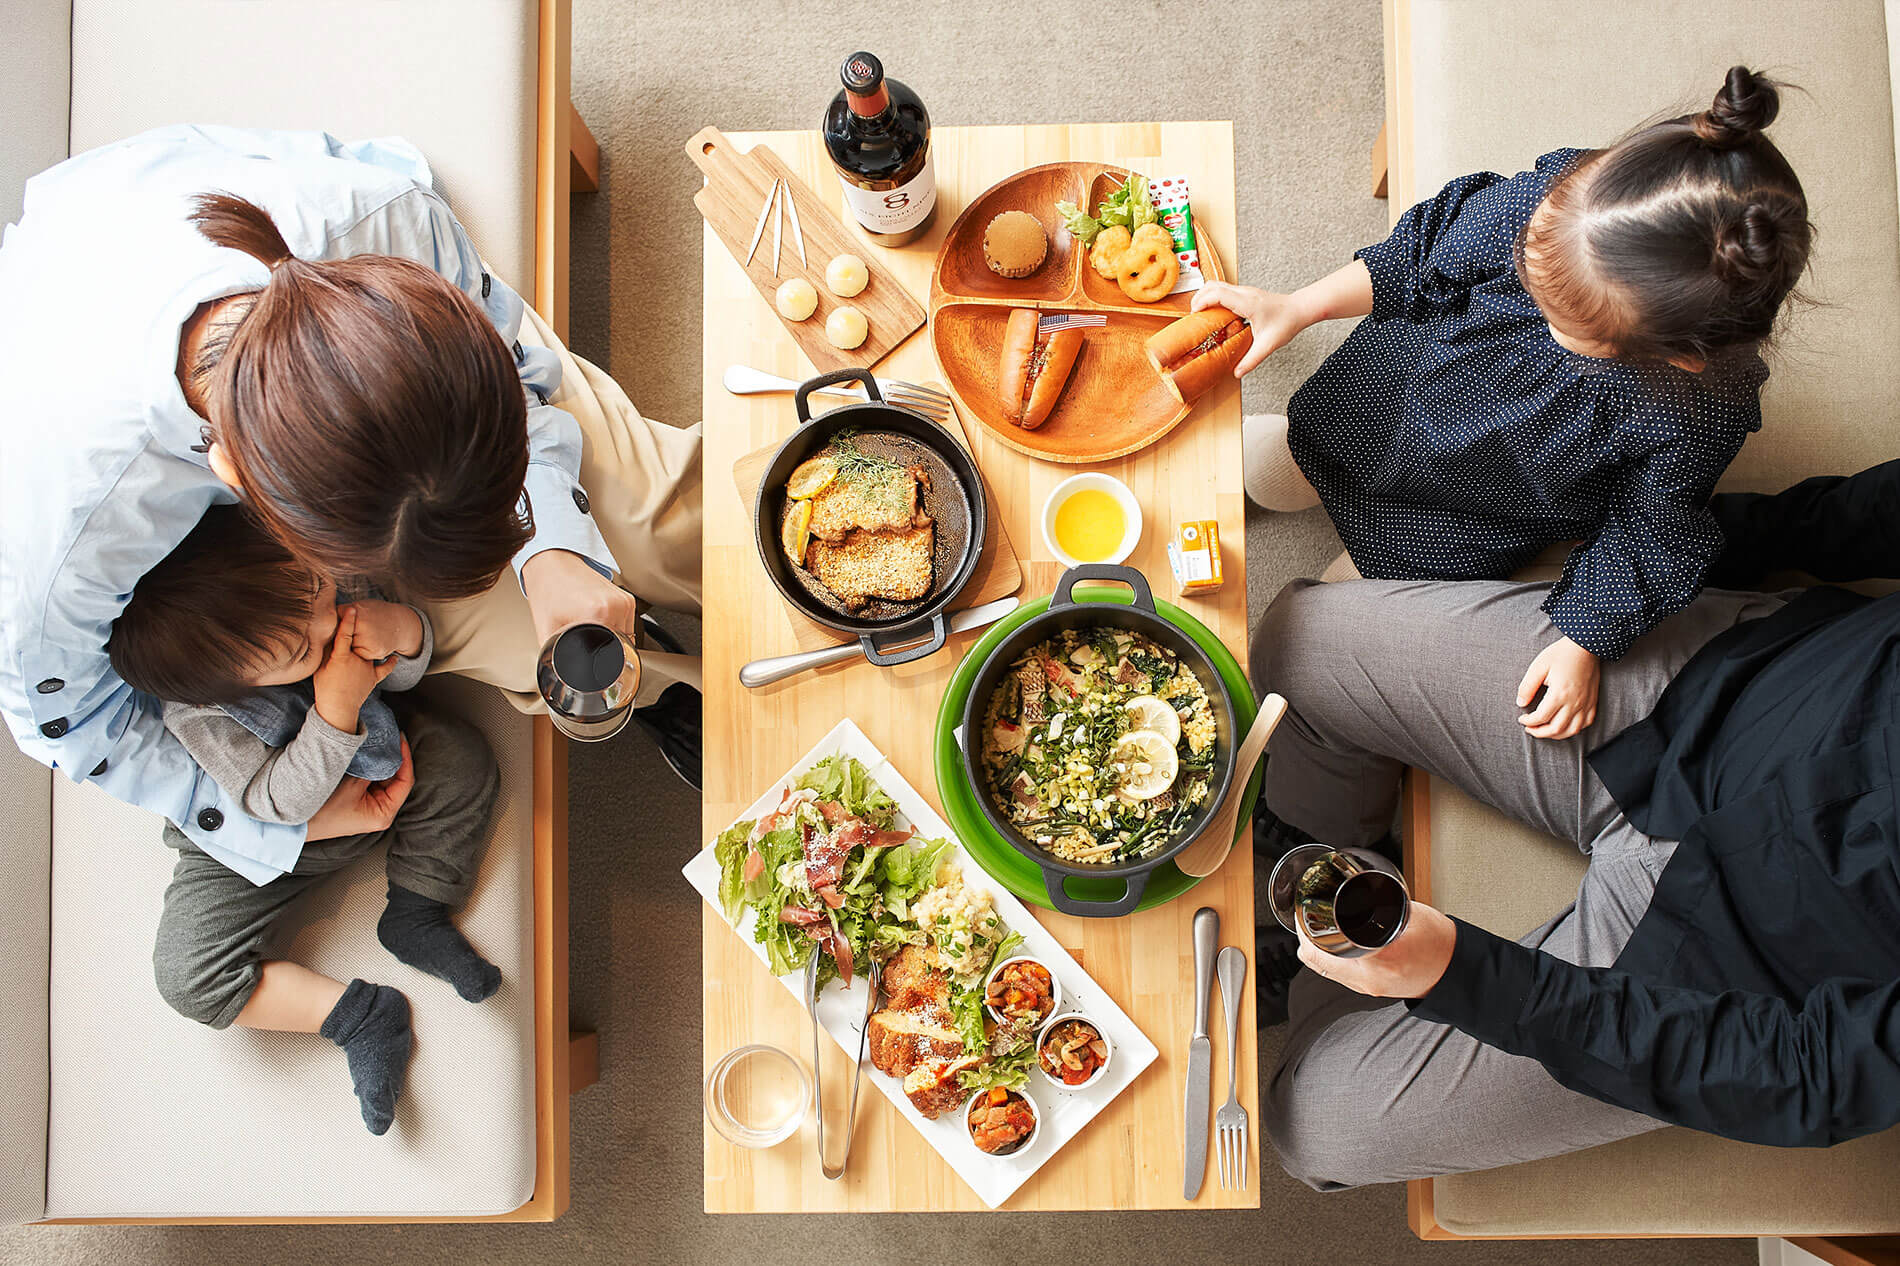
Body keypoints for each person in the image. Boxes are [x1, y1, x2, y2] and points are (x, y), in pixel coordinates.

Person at [0, 124, 702, 897]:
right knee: (511, 640)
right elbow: (74, 727)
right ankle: (672, 692)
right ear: (235, 481)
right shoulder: (57, 549)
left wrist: (554, 549)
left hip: (313, 281)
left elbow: (512, 374)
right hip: (115, 453)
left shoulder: (381, 221)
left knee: (653, 516)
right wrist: (266, 820)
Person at [1251, 457, 1900, 1189]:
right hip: (1726, 693)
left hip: (1729, 971)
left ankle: (1321, 957)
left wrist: (1471, 979)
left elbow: (1811, 1076)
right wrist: (1635, 572)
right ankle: (1323, 874)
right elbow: (1867, 513)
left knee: (1318, 1129)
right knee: (1296, 641)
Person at [1202, 67, 1813, 742]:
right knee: (1278, 461)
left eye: (1562, 318)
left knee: (1342, 605)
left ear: (1679, 356)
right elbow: (1422, 256)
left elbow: (1650, 531)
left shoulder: (1693, 410)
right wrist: (1298, 307)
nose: (1527, 274)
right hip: (1385, 399)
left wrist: (1584, 643)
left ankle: (1342, 590)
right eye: (1529, 264)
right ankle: (1284, 466)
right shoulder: (1553, 213)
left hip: (1471, 510)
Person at [109, 506, 500, 1135]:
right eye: (302, 649)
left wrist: (398, 628)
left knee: (461, 755)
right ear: (227, 686)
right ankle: (358, 1016)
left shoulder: (319, 578)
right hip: (248, 843)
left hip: (380, 770)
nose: (329, 627)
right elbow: (273, 802)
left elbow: (406, 669)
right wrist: (335, 707)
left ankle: (417, 912)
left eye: (317, 593)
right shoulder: (203, 715)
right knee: (186, 977)